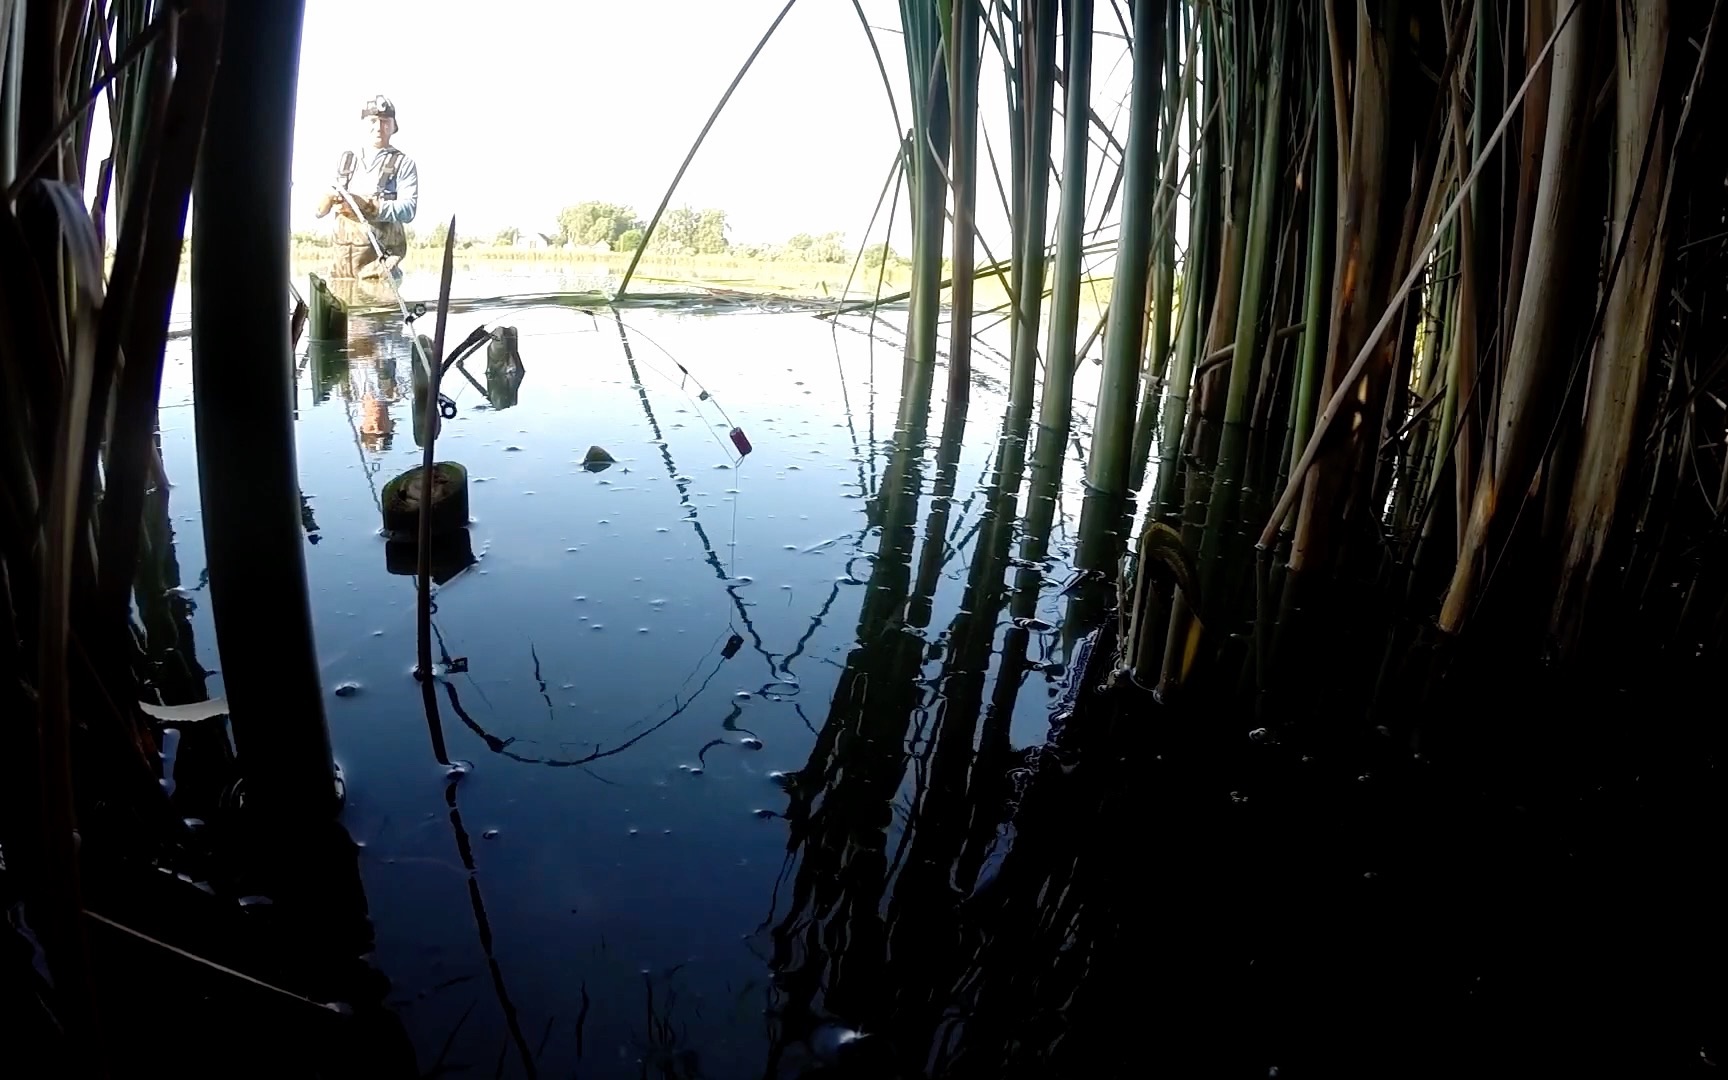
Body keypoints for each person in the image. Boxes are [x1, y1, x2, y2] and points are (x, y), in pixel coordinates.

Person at [314, 94, 419, 282]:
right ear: (363, 123)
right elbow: (321, 207)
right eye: (373, 120)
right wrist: (326, 201)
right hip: (341, 274)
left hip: (382, 273)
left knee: (382, 311)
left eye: (385, 121)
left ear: (394, 126)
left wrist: (366, 204)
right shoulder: (345, 160)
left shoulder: (404, 163)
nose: (379, 127)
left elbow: (409, 210)